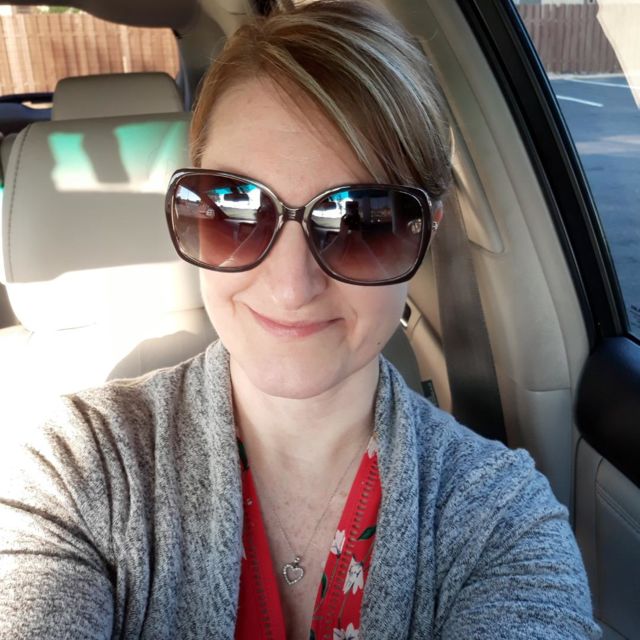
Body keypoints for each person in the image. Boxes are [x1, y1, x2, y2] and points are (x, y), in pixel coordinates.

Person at [0, 1, 600, 638]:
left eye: (361, 222)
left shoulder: (500, 520)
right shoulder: (78, 467)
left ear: (424, 235)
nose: (291, 288)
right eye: (233, 209)